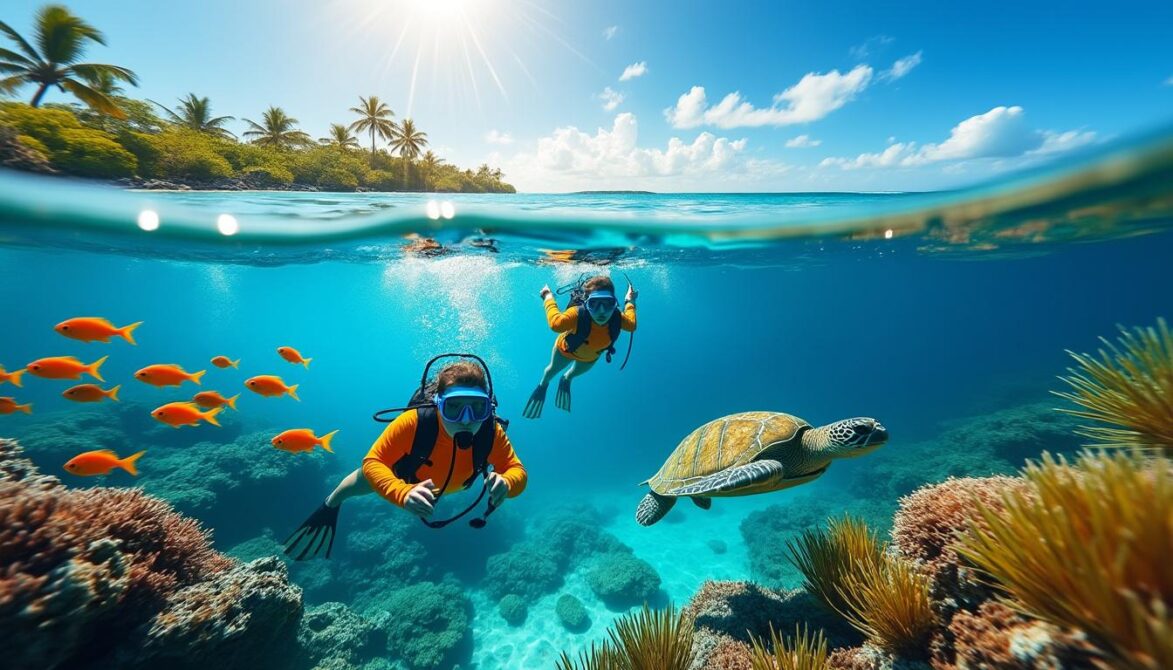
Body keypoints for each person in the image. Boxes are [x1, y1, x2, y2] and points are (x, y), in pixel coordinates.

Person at [284, 357, 527, 560]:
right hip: (406, 476)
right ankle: (331, 503)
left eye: (477, 408)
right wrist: (401, 492)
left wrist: (508, 483)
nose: (466, 418)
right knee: (357, 483)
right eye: (453, 408)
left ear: (488, 409)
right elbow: (373, 462)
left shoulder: (490, 431)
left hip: (454, 483)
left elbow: (516, 470)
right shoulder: (414, 422)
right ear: (438, 404)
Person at [523, 275, 637, 419]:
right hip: (566, 351)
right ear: (586, 303)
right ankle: (543, 386)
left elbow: (632, 323)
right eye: (594, 304)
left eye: (607, 304)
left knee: (570, 375)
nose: (601, 311)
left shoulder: (617, 318)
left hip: (589, 358)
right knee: (551, 371)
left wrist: (629, 300)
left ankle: (566, 379)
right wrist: (547, 295)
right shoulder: (578, 314)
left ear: (615, 304)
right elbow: (555, 323)